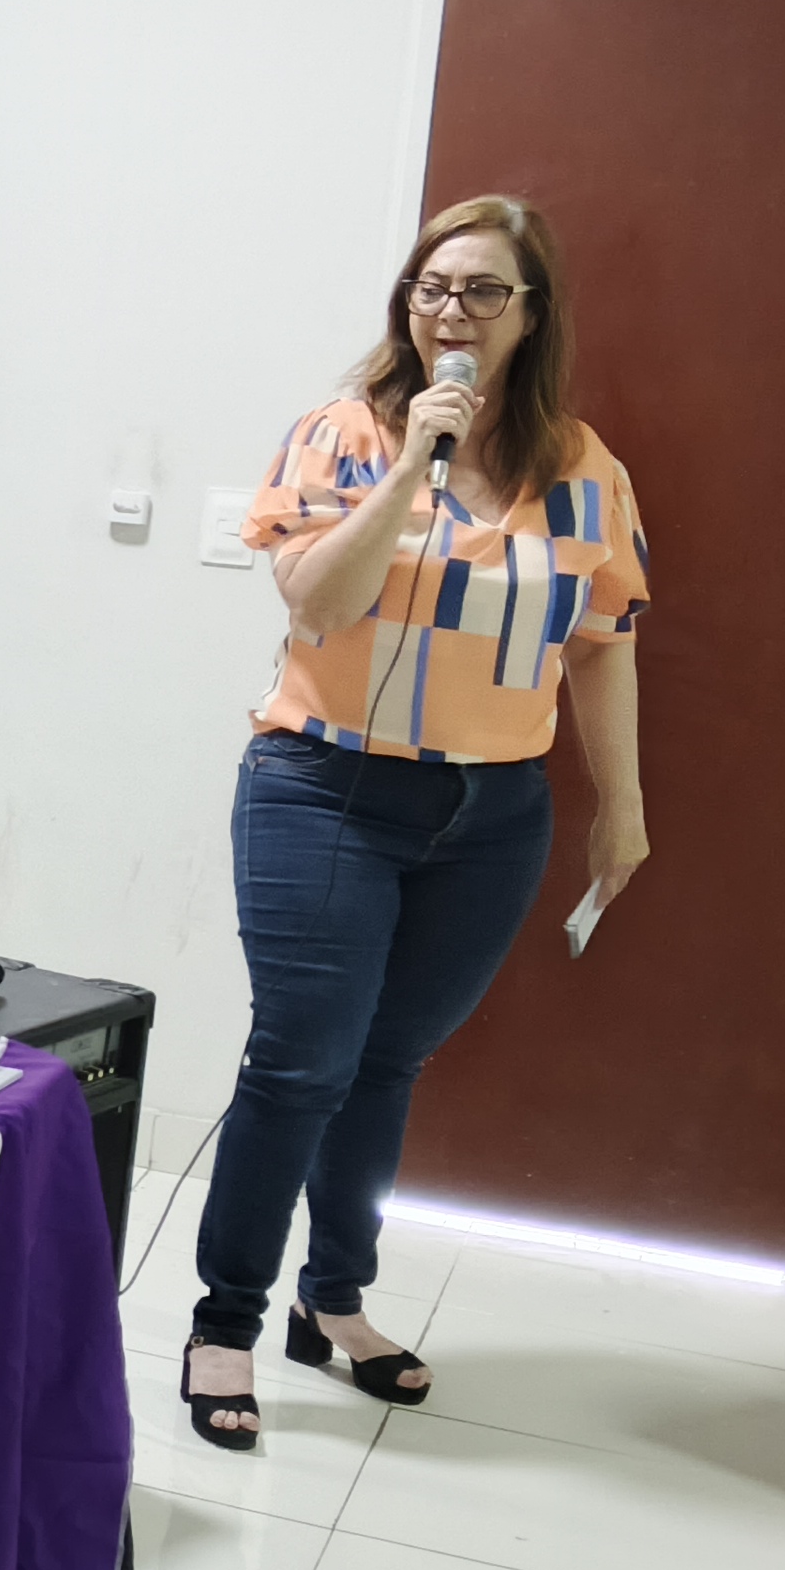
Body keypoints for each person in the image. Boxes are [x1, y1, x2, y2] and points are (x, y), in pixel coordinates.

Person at [183, 195, 652, 1449]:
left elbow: (604, 643)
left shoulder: (585, 469)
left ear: (531, 315)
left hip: (493, 814)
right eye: (432, 287)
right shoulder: (342, 436)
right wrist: (408, 469)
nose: (451, 311)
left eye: (483, 291)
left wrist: (622, 808)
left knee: (387, 1066)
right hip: (325, 791)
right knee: (302, 1065)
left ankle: (332, 1301)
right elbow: (316, 604)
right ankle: (225, 1323)